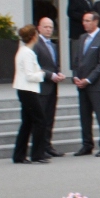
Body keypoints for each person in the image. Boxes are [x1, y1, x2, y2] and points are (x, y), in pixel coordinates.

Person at [71, 11, 100, 156]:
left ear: (96, 22)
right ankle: (87, 144)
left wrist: (88, 80)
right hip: (81, 84)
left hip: (97, 85)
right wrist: (75, 76)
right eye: (84, 20)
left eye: (88, 21)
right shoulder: (82, 38)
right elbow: (77, 60)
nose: (84, 23)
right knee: (85, 116)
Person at [11, 24, 49, 164]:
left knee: (27, 123)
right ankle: (37, 154)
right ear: (33, 36)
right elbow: (29, 75)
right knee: (40, 120)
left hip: (24, 89)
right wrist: (41, 74)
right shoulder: (28, 53)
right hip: (28, 90)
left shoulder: (22, 51)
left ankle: (19, 155)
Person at [33, 16, 68, 158]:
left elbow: (54, 64)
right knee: (41, 119)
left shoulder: (53, 45)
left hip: (52, 87)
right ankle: (40, 148)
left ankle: (47, 145)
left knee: (49, 118)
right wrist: (50, 75)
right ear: (39, 28)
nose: (48, 30)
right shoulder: (36, 44)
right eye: (46, 27)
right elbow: (35, 67)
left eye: (51, 27)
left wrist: (58, 73)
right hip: (41, 87)